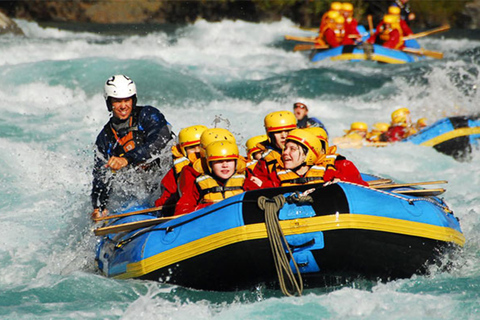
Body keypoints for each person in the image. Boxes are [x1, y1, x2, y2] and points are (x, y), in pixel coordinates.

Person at [91, 75, 173, 220]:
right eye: (117, 101)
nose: (123, 106)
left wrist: (127, 159)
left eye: (127, 100)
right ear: (109, 103)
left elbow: (161, 140)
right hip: (143, 191)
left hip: (167, 178)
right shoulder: (105, 139)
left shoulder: (148, 115)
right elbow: (100, 177)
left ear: (133, 100)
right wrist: (99, 207)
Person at [174, 140, 248, 215]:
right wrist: (209, 207)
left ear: (236, 163)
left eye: (229, 161)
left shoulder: (245, 180)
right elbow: (182, 211)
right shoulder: (198, 184)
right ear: (210, 164)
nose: (225, 165)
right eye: (219, 161)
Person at [153, 125, 207, 215]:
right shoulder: (176, 172)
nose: (197, 151)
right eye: (192, 148)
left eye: (200, 146)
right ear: (183, 151)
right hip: (187, 209)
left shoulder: (223, 165)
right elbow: (165, 198)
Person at [251, 110, 297, 188]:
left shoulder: (307, 154)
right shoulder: (263, 164)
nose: (284, 136)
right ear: (270, 135)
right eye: (278, 132)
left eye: (288, 131)